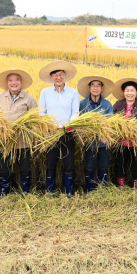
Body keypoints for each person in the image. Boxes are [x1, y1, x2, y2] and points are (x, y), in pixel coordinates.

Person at [38, 60, 80, 195]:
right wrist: (49, 126)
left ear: (65, 76)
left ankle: (68, 191)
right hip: (51, 133)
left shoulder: (73, 93)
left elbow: (75, 112)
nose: (58, 77)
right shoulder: (45, 92)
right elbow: (41, 112)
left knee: (69, 163)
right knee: (51, 162)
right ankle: (50, 191)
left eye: (61, 74)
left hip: (67, 132)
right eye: (55, 75)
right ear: (51, 78)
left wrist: (67, 125)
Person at [0, 68, 37, 195]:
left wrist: (24, 128)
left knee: (24, 167)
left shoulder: (29, 99)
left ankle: (25, 192)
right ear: (7, 83)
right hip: (5, 140)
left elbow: (34, 120)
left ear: (21, 82)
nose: (14, 82)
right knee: (4, 167)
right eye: (10, 80)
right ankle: (4, 192)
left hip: (23, 140)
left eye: (16, 80)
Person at [77, 75, 115, 192]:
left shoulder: (107, 105)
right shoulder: (82, 104)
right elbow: (78, 121)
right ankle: (90, 189)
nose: (95, 88)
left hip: (104, 142)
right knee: (89, 166)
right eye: (93, 85)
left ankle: (101, 190)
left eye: (98, 85)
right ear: (89, 88)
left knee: (103, 166)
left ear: (102, 89)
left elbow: (110, 122)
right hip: (89, 142)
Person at [111, 78, 137, 190]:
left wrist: (135, 126)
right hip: (121, 140)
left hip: (136, 142)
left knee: (136, 164)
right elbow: (112, 120)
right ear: (124, 92)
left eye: (132, 91)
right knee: (120, 163)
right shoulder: (118, 104)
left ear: (136, 92)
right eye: (127, 91)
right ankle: (121, 186)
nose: (130, 93)